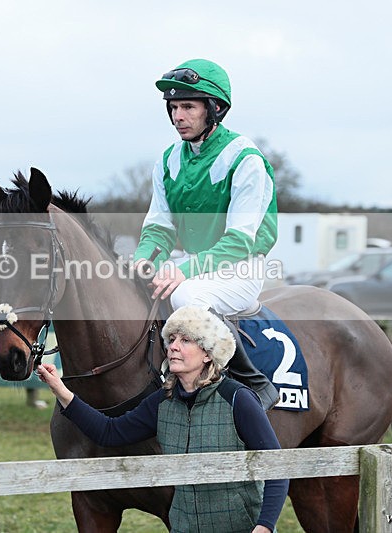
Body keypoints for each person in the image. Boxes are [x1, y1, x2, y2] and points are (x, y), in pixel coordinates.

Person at [37, 305, 289, 533]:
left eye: (186, 340)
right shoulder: (163, 401)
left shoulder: (238, 399)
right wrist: (61, 391)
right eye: (171, 339)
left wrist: (264, 527)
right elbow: (109, 432)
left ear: (208, 354)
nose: (173, 347)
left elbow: (275, 467)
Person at [132, 59, 280, 410]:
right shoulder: (168, 160)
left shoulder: (245, 159)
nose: (177, 117)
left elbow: (240, 241)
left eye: (187, 107)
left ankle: (252, 383)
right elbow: (159, 227)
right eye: (173, 107)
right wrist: (142, 261)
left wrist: (182, 270)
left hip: (240, 268)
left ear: (214, 109)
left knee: (184, 298)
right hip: (195, 265)